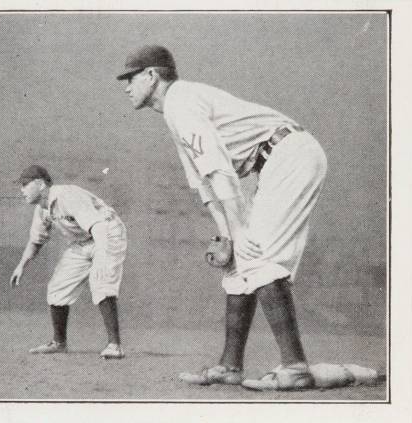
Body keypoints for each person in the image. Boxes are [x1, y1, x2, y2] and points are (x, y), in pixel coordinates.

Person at [117, 45, 328, 390]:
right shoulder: (175, 111)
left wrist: (241, 228)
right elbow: (204, 184)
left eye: (130, 77)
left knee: (258, 254)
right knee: (239, 264)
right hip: (269, 162)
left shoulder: (181, 102)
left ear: (152, 75)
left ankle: (295, 368)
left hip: (288, 154)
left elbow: (218, 169)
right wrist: (227, 234)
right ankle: (230, 366)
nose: (126, 86)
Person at [9, 165, 127, 359]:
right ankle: (59, 342)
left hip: (107, 232)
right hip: (82, 241)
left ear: (39, 184)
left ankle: (115, 346)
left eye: (24, 184)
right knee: (57, 287)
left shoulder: (67, 196)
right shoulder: (42, 209)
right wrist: (22, 265)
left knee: (102, 282)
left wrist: (100, 260)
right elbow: (36, 240)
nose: (21, 190)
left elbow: (98, 226)